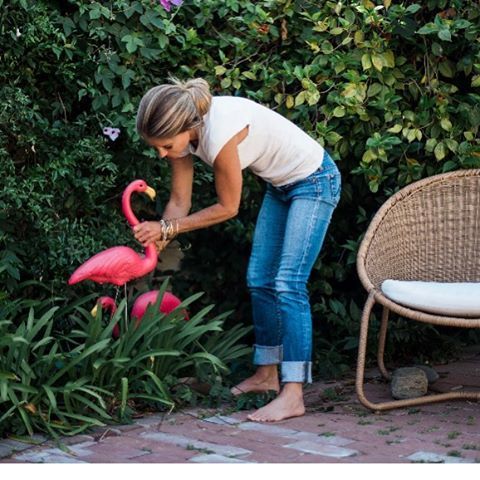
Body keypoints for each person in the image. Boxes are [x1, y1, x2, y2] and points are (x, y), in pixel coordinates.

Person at [133, 77, 341, 422]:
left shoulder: (219, 134)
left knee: (288, 283)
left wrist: (167, 228)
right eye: (157, 147)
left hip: (315, 181)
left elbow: (228, 208)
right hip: (281, 186)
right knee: (260, 279)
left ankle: (293, 394)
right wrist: (156, 244)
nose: (162, 153)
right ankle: (266, 376)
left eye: (166, 145)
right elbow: (180, 202)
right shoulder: (183, 136)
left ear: (185, 127)